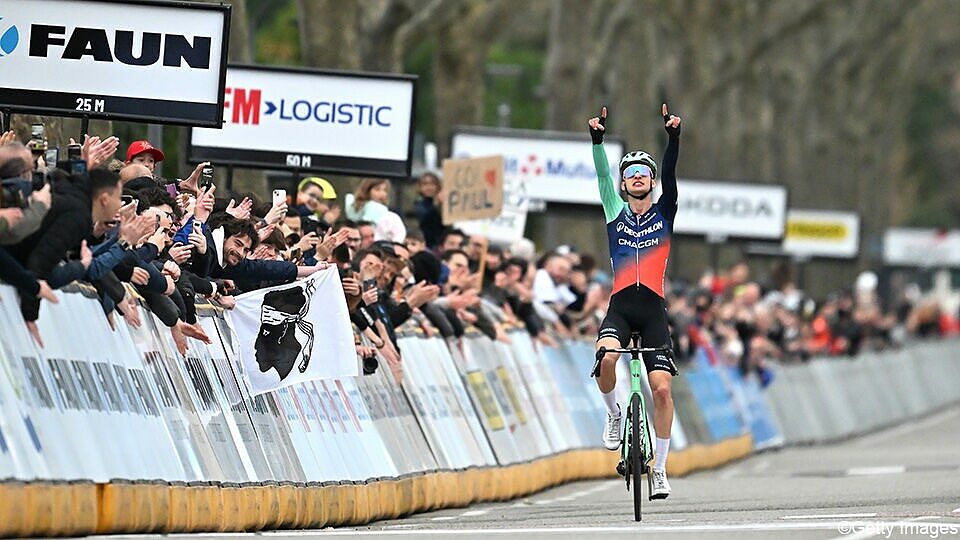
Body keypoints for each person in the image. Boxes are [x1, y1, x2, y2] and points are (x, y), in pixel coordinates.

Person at [588, 103, 681, 499]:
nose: (638, 179)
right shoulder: (614, 212)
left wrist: (673, 137)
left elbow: (672, 174)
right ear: (624, 185)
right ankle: (613, 415)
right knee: (607, 358)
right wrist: (597, 141)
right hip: (621, 308)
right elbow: (601, 177)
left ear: (652, 181)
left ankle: (659, 468)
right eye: (631, 175)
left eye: (644, 174)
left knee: (661, 390)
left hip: (654, 309)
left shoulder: (664, 211)